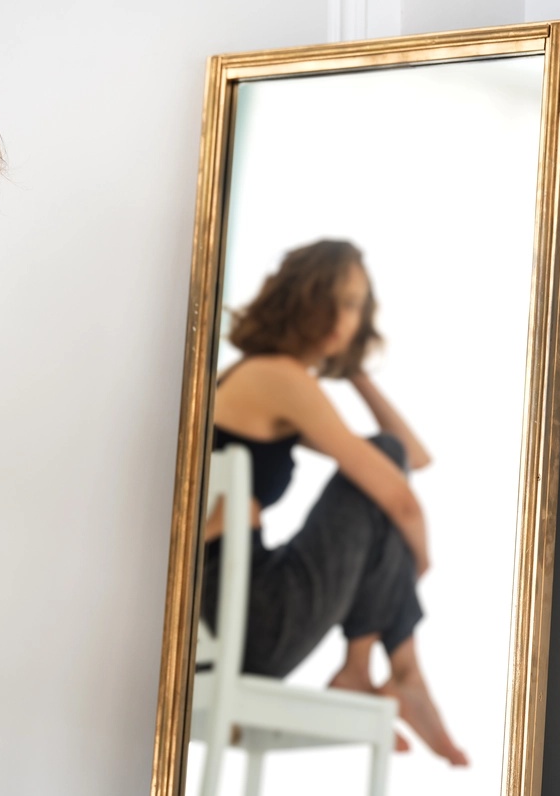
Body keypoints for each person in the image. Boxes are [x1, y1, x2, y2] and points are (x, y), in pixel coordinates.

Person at [200, 239, 468, 765]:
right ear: (302, 298)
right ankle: (383, 670)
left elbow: (416, 457)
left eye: (356, 306)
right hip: (249, 615)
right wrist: (421, 561)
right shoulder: (278, 379)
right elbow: (400, 494)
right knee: (380, 470)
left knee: (384, 462)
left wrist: (353, 371)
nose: (344, 318)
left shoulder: (249, 378)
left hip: (230, 612)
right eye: (335, 300)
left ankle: (371, 672)